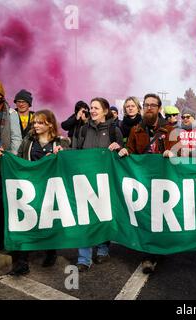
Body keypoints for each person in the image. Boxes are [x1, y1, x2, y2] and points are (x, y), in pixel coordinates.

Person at [9, 110, 69, 276]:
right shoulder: (28, 140)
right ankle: (22, 262)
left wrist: (60, 156)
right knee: (25, 223)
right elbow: (19, 159)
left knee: (48, 221)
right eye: (34, 122)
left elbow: (69, 163)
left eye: (40, 122)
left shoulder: (60, 142)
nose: (35, 125)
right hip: (30, 188)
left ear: (49, 123)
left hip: (50, 189)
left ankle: (51, 251)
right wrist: (5, 157)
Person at [118, 93, 173, 274]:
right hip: (143, 180)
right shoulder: (136, 130)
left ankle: (160, 248)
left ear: (159, 108)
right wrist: (126, 151)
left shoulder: (171, 130)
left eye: (153, 105)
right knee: (146, 217)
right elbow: (132, 151)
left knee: (162, 217)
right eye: (146, 105)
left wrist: (172, 154)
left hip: (165, 180)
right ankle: (147, 255)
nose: (149, 108)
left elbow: (181, 152)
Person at [74, 97, 123, 272]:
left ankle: (103, 250)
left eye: (96, 108)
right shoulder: (83, 130)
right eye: (91, 108)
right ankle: (83, 258)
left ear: (105, 110)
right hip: (85, 181)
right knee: (84, 219)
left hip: (105, 183)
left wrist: (119, 149)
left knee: (103, 217)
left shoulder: (113, 130)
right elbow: (75, 153)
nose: (92, 110)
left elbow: (120, 156)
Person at [0, 81, 22, 251]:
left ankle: (2, 242)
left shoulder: (10, 113)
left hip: (3, 165)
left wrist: (10, 160)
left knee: (2, 203)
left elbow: (16, 139)